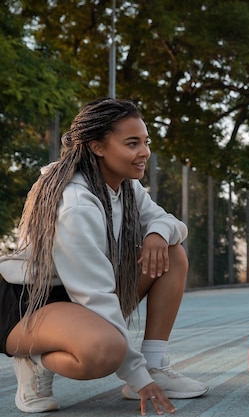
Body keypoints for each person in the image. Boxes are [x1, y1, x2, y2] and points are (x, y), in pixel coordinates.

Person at [0, 98, 208, 415]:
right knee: (105, 350)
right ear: (98, 146)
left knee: (171, 252)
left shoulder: (124, 185)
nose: (144, 153)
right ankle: (35, 357)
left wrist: (156, 233)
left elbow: (170, 223)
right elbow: (96, 297)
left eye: (145, 142)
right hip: (30, 302)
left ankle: (155, 365)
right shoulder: (75, 203)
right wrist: (137, 379)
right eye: (132, 143)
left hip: (78, 297)